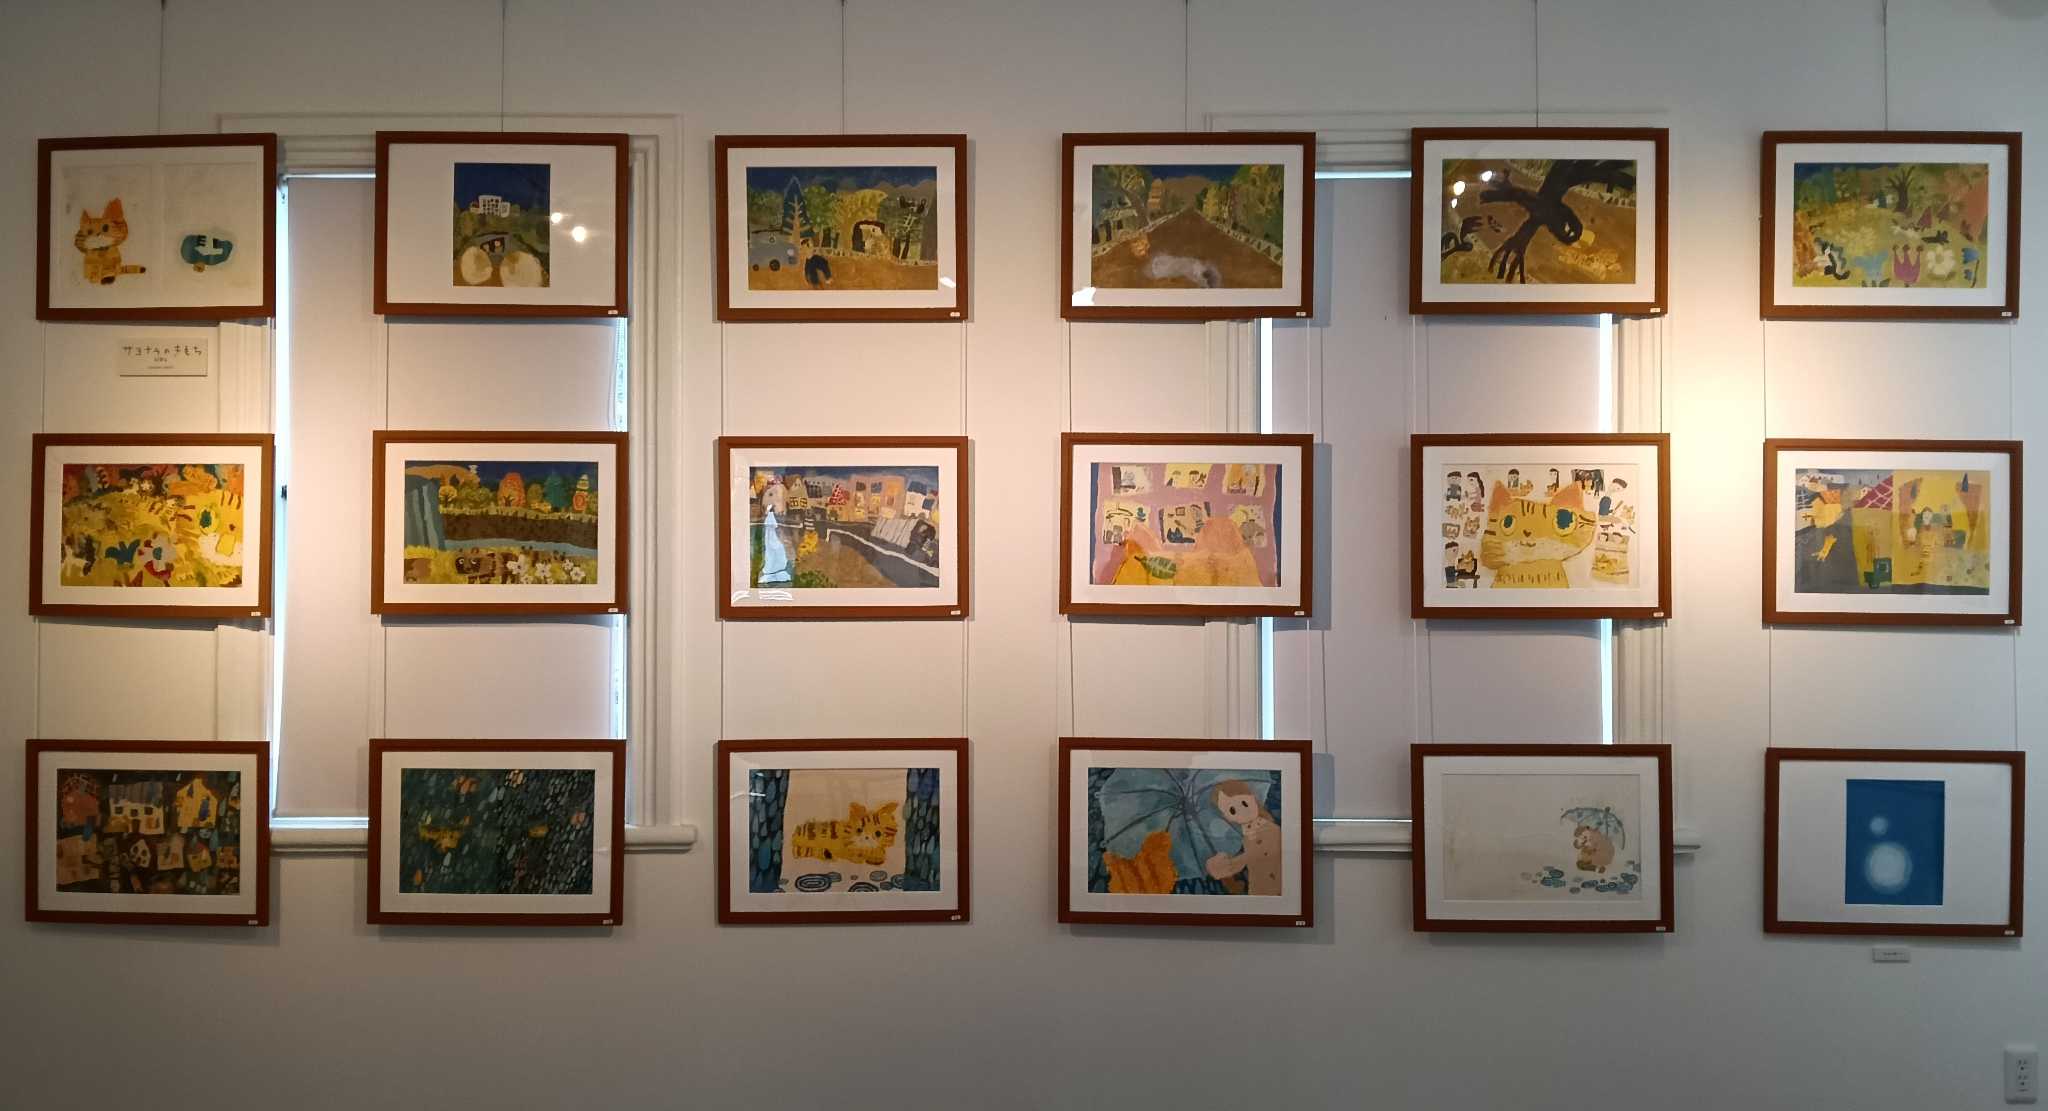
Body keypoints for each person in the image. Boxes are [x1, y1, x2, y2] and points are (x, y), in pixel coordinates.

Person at [757, 477, 793, 585]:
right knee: (773, 548)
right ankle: (773, 569)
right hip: (772, 529)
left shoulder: (779, 490)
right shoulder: (772, 493)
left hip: (775, 526)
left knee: (778, 548)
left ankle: (777, 569)